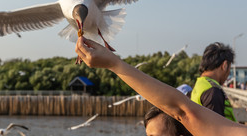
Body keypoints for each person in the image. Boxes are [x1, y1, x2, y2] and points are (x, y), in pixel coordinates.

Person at [74, 37, 247, 136]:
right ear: (225, 65)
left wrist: (115, 64)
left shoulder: (202, 86)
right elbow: (183, 112)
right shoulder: (212, 89)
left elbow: (184, 111)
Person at [190, 42, 236, 121]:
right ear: (224, 65)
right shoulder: (213, 91)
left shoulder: (201, 84)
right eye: (229, 69)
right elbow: (217, 130)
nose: (228, 73)